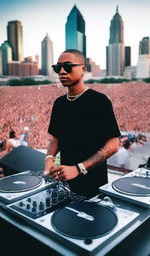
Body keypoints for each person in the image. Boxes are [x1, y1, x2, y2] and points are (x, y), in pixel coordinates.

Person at [44, 49, 120, 198]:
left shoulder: (100, 101)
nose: (62, 72)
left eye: (68, 66)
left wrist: (79, 169)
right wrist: (49, 159)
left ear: (83, 69)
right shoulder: (59, 103)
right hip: (64, 183)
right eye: (58, 68)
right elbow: (55, 138)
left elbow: (113, 144)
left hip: (93, 184)